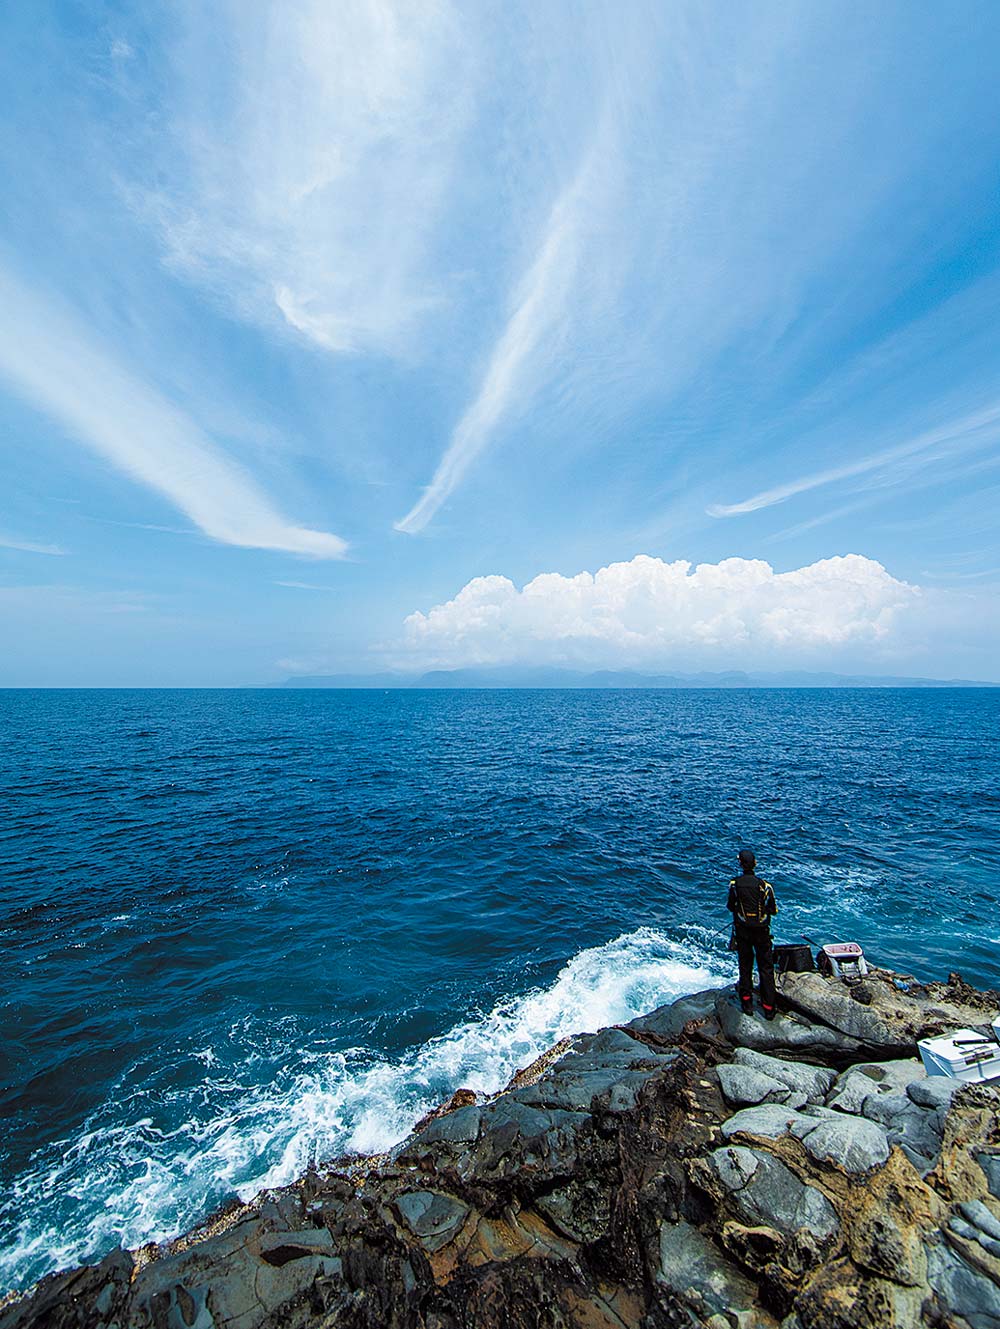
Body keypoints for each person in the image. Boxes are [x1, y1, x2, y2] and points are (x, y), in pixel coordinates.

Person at [727, 848, 778, 1019]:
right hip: (762, 932)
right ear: (754, 864)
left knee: (745, 966)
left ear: (740, 864)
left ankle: (747, 1003)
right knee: (766, 968)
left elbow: (730, 905)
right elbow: (773, 909)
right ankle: (769, 1008)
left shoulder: (734, 884)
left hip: (743, 932)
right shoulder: (765, 885)